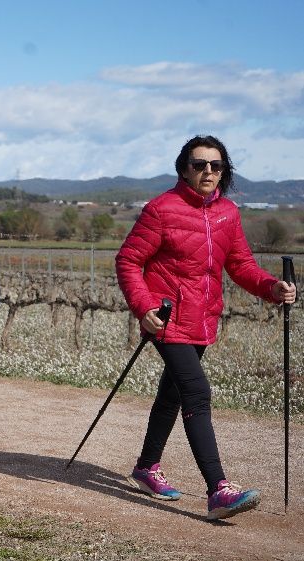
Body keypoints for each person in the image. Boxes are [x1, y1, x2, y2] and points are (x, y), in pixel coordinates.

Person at [115, 135, 297, 520]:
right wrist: (144, 306)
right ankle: (219, 490)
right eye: (200, 165)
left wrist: (271, 287)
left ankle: (147, 467)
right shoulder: (162, 209)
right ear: (185, 169)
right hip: (166, 318)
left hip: (203, 318)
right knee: (197, 391)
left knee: (174, 393)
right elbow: (128, 261)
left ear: (224, 171)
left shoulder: (228, 213)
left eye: (216, 166)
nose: (208, 172)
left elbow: (241, 266)